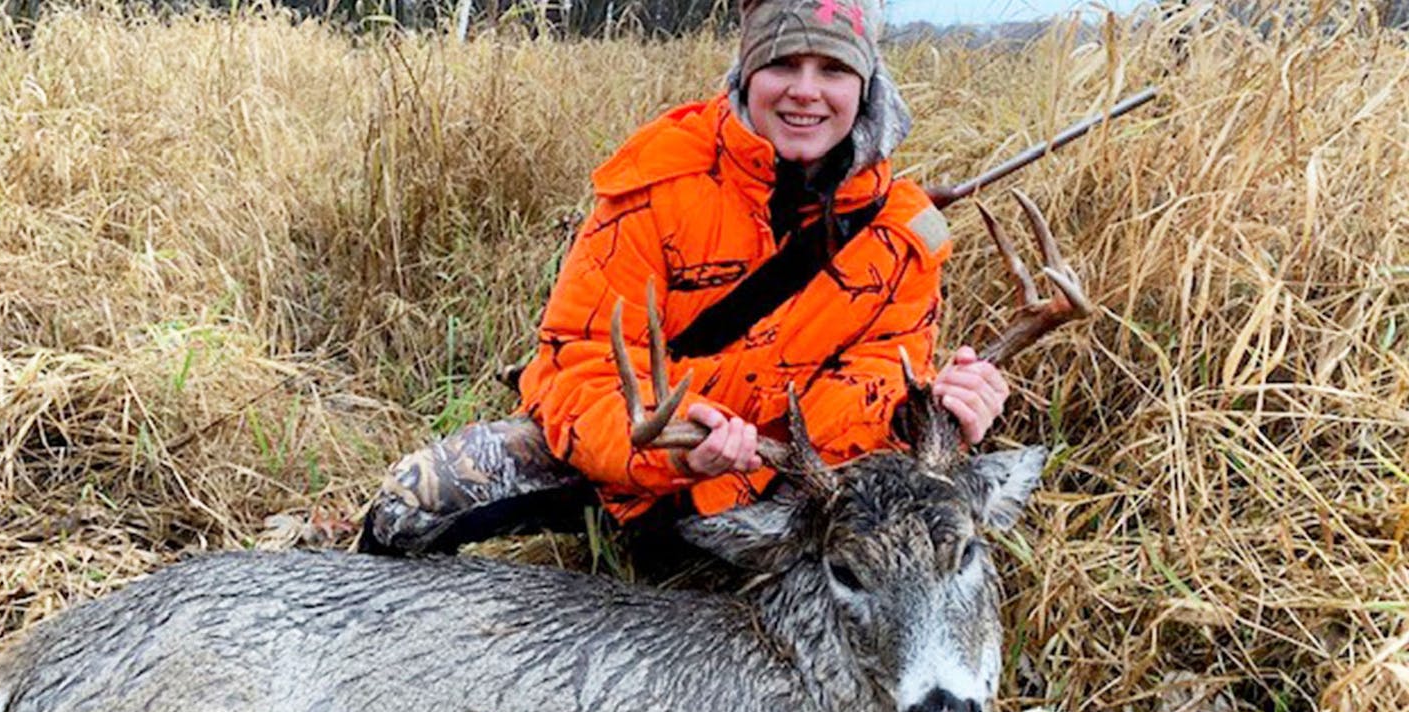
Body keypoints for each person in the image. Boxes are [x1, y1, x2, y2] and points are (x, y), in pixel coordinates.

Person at [359, 0, 1009, 556]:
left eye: (834, 69)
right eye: (783, 64)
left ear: (865, 88)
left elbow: (876, 381)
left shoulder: (904, 235)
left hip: (787, 490)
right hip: (632, 474)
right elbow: (575, 369)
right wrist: (674, 450)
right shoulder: (657, 189)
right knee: (411, 503)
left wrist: (932, 412)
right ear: (747, 75)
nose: (806, 91)